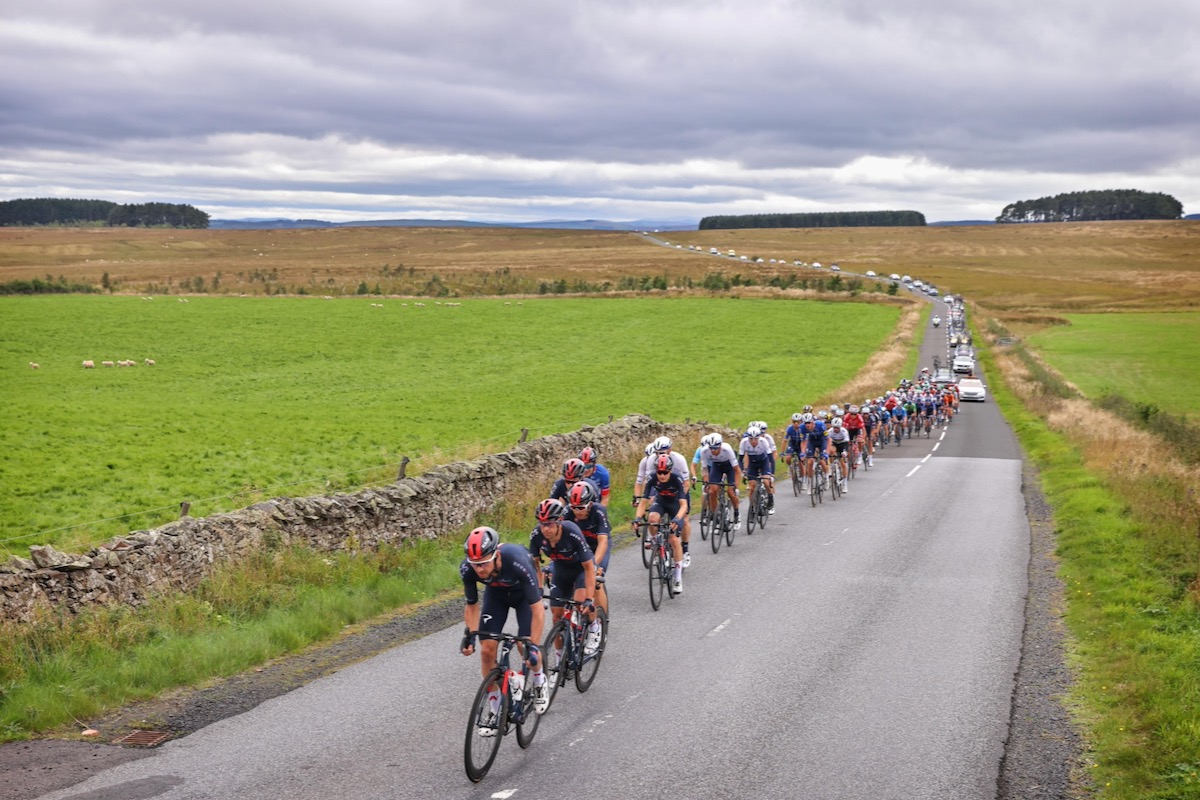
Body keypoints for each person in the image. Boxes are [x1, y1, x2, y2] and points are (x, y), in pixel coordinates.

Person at [460, 526, 549, 729]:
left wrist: (533, 645)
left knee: (523, 646)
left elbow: (537, 610)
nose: (480, 570)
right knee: (486, 650)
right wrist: (471, 635)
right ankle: (495, 705)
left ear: (496, 555)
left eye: (483, 563)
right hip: (496, 597)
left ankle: (538, 679)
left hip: (523, 598)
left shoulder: (516, 560)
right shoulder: (468, 569)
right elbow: (472, 605)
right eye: (475, 564)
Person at [529, 498, 600, 657]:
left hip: (581, 568)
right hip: (561, 570)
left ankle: (595, 627)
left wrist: (589, 598)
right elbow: (534, 566)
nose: (545, 528)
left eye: (550, 524)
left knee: (581, 602)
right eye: (542, 523)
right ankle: (559, 658)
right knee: (556, 616)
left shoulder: (572, 532)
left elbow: (589, 568)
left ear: (559, 521)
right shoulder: (536, 535)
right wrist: (539, 589)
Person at [634, 436, 694, 566]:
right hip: (662, 489)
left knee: (684, 519)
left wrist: (678, 497)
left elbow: (686, 483)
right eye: (657, 453)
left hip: (679, 489)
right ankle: (658, 544)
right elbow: (650, 481)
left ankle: (685, 550)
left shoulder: (679, 459)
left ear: (670, 450)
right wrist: (650, 497)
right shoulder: (652, 461)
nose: (659, 455)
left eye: (662, 452)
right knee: (653, 513)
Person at [635, 454, 690, 594]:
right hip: (661, 501)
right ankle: (656, 543)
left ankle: (677, 578)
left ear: (670, 471)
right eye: (659, 472)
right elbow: (643, 501)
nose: (662, 475)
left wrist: (677, 519)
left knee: (673, 539)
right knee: (652, 519)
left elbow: (684, 505)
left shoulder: (677, 478)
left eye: (665, 472)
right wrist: (637, 518)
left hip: (676, 505)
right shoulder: (652, 478)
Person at [566, 481, 611, 623]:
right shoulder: (567, 512)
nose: (577, 511)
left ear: (590, 504)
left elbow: (603, 541)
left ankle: (601, 621)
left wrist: (595, 565)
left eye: (581, 507)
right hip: (580, 547)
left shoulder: (598, 511)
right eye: (574, 507)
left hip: (598, 545)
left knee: (596, 582)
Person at [698, 432, 742, 530]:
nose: (713, 451)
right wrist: (706, 481)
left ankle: (736, 514)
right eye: (711, 448)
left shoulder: (727, 449)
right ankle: (716, 516)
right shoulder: (704, 451)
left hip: (730, 468)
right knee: (712, 491)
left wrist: (735, 486)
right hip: (716, 467)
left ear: (720, 446)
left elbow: (737, 470)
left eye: (716, 448)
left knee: (731, 492)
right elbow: (704, 469)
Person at [739, 425, 775, 513]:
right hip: (752, 465)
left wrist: (772, 473)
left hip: (763, 463)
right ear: (748, 438)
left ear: (759, 438)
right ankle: (752, 507)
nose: (753, 441)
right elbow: (740, 459)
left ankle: (770, 497)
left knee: (766, 482)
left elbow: (771, 459)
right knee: (751, 487)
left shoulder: (763, 442)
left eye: (756, 439)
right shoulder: (744, 443)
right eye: (751, 439)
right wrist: (743, 472)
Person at [799, 413, 830, 492]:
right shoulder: (802, 428)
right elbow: (803, 441)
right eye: (805, 423)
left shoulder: (821, 425)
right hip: (812, 442)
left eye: (809, 422)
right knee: (810, 462)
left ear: (813, 422)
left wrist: (827, 452)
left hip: (822, 441)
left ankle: (826, 477)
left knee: (823, 461)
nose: (807, 425)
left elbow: (828, 440)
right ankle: (810, 483)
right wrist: (803, 453)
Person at [828, 417, 852, 492]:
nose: (835, 429)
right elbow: (828, 443)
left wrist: (844, 452)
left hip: (842, 445)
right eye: (834, 427)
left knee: (843, 464)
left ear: (840, 426)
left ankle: (844, 484)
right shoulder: (830, 431)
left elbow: (846, 444)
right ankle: (832, 466)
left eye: (837, 428)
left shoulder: (844, 431)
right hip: (834, 444)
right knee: (831, 451)